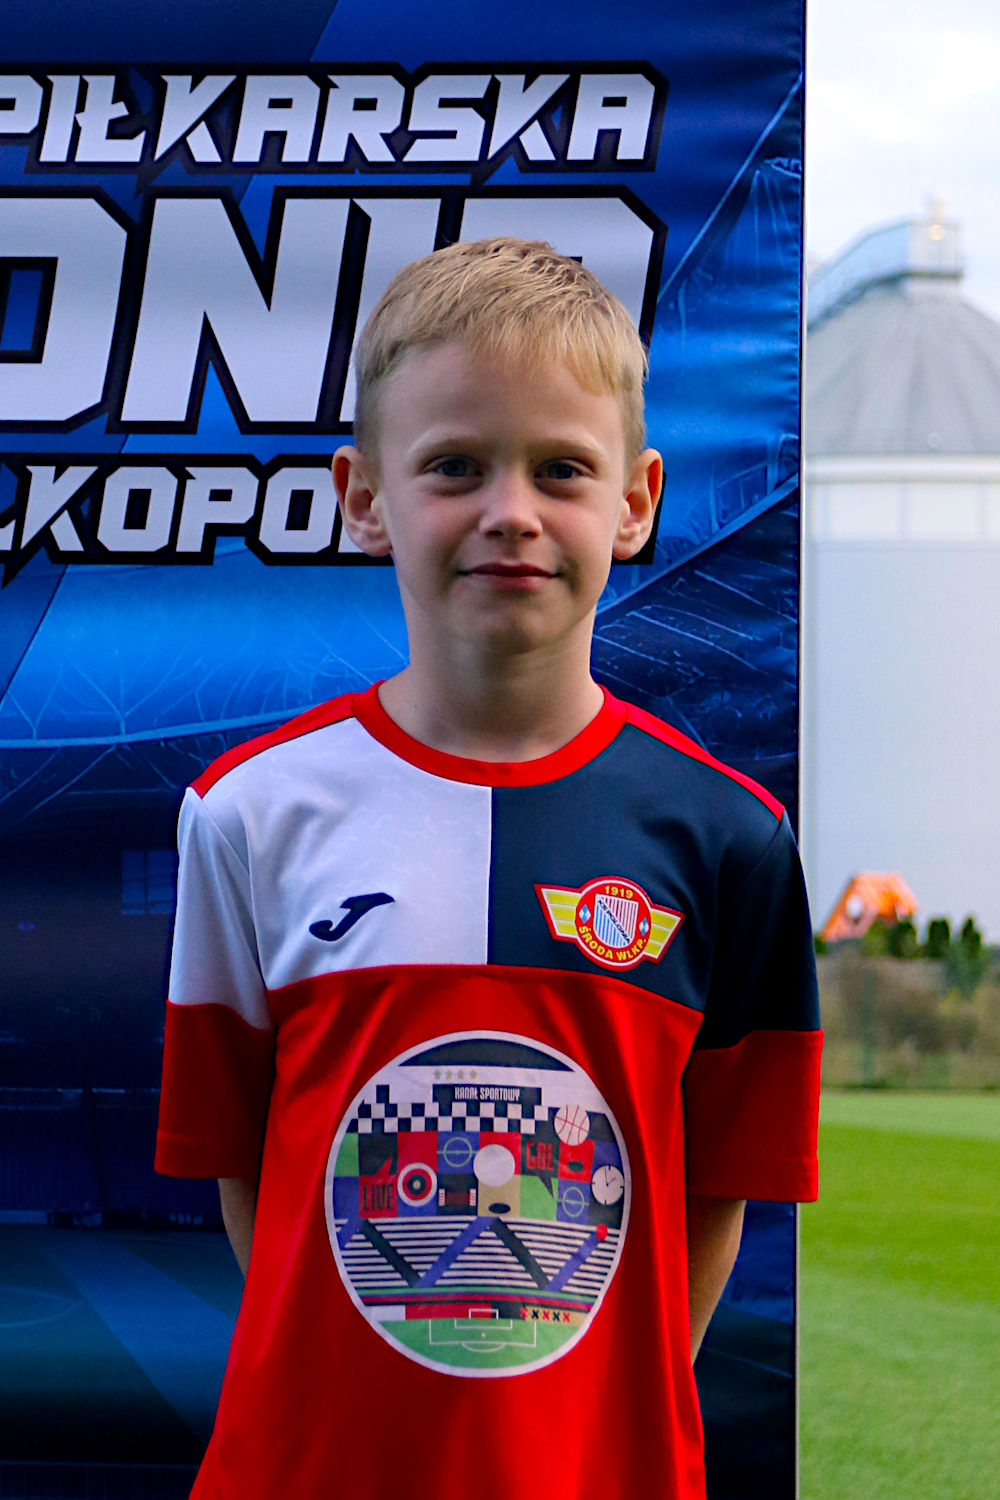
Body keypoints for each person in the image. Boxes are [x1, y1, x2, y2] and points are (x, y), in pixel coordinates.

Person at [155, 237, 822, 1500]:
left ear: (634, 501)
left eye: (561, 468)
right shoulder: (246, 815)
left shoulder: (733, 836)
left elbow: (715, 1195)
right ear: (364, 497)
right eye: (456, 465)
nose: (510, 510)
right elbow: (252, 1174)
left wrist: (573, 1414)